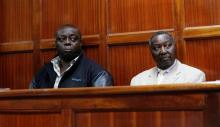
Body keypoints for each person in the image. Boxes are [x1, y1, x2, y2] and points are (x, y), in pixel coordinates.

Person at [30, 24, 113, 88]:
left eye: (73, 39)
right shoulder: (43, 72)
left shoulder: (97, 73)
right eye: (62, 39)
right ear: (55, 44)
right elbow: (30, 103)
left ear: (80, 43)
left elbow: (102, 105)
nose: (67, 42)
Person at [130, 31, 205, 86]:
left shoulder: (194, 76)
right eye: (157, 47)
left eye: (167, 45)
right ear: (151, 51)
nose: (163, 51)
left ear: (175, 47)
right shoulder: (137, 81)